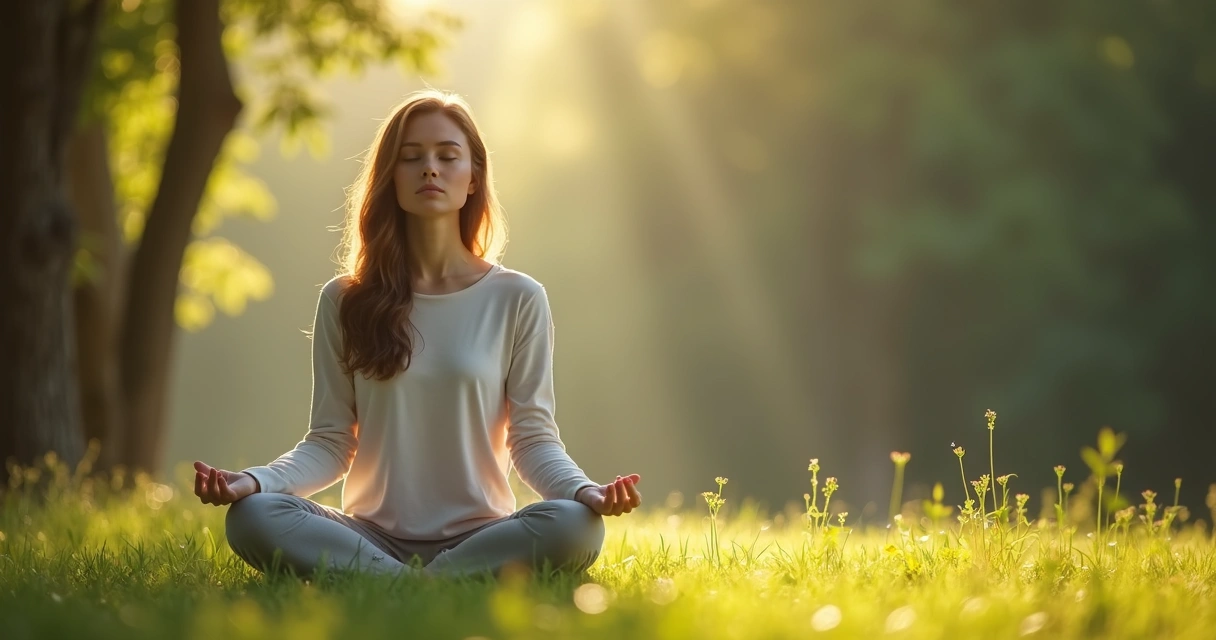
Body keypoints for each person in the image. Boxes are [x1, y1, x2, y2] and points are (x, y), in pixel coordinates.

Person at [191, 89, 642, 580]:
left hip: (481, 535)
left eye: (448, 156)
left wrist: (584, 491)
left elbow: (531, 438)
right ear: (392, 178)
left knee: (576, 525)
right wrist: (255, 482)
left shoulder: (518, 297)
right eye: (412, 158)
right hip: (368, 535)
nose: (430, 168)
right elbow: (330, 441)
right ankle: (421, 582)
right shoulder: (345, 300)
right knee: (254, 518)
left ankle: (396, 583)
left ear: (473, 178)